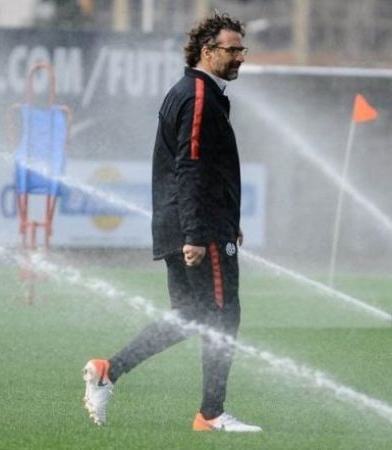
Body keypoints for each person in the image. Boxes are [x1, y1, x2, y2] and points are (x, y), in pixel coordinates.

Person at [82, 12, 260, 432]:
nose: (239, 58)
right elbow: (191, 166)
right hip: (198, 232)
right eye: (232, 50)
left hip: (191, 226)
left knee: (191, 314)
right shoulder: (197, 96)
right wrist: (198, 233)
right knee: (222, 314)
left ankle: (109, 369)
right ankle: (211, 415)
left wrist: (225, 219)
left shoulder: (197, 93)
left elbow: (202, 170)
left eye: (241, 49)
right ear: (207, 51)